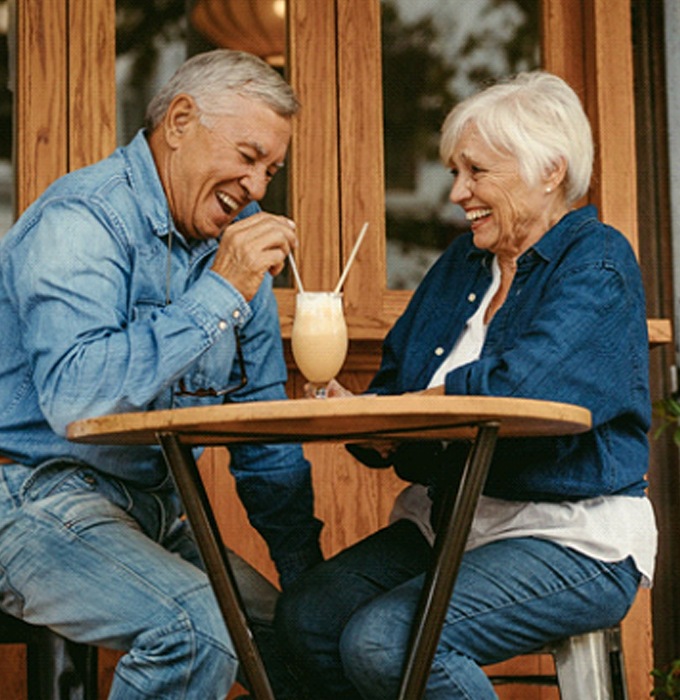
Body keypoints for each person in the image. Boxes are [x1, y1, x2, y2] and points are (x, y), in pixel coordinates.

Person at [275, 70, 657, 699]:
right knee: (308, 620)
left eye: (476, 172)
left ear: (549, 170)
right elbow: (399, 385)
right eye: (455, 171)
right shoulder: (461, 266)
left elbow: (518, 388)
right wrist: (371, 423)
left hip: (568, 534)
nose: (457, 193)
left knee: (385, 642)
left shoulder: (598, 261)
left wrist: (401, 412)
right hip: (450, 524)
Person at [0, 49, 322, 699]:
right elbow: (77, 399)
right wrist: (222, 289)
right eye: (248, 156)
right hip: (27, 497)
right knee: (198, 628)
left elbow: (260, 427)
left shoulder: (238, 236)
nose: (258, 187)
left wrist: (309, 584)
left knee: (309, 644)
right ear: (179, 120)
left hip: (156, 512)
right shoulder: (83, 220)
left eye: (271, 169)